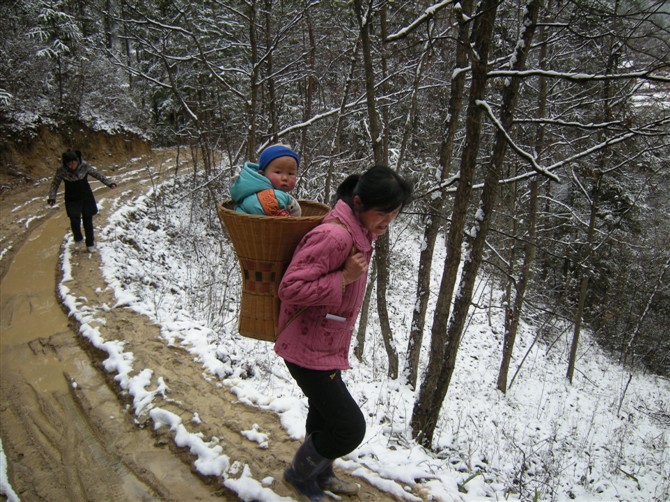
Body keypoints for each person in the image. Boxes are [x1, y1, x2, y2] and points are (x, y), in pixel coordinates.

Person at [274, 165, 413, 500]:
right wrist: (343, 279)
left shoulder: (360, 232)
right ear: (360, 202)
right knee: (350, 428)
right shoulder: (335, 236)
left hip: (324, 344)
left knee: (322, 414)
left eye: (393, 214)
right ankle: (299, 474)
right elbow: (290, 288)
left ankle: (319, 475)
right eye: (383, 213)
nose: (387, 222)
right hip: (305, 347)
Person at [47, 150, 117, 252]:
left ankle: (90, 244)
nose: (72, 166)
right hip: (71, 197)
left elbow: (97, 174)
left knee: (87, 220)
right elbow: (55, 183)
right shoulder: (61, 170)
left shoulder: (84, 166)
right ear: (65, 163)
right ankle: (78, 238)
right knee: (74, 220)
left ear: (78, 161)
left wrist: (109, 183)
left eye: (74, 163)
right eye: (69, 164)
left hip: (86, 196)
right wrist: (52, 197)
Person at [230, 144, 302, 216]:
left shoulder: (272, 192)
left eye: (290, 173)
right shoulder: (272, 196)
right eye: (278, 172)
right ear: (262, 174)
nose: (285, 178)